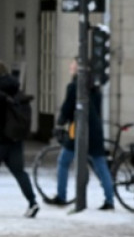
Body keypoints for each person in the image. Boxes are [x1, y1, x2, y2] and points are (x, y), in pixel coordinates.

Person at [47, 58, 115, 210]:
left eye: (73, 64)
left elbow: (67, 108)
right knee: (100, 165)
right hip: (95, 131)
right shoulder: (95, 87)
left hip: (80, 131)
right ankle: (110, 200)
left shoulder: (74, 86)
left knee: (63, 161)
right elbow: (97, 110)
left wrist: (59, 124)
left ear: (79, 68)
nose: (71, 66)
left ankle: (61, 196)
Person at [0, 61, 39, 218]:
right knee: (20, 172)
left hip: (1, 140)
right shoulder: (17, 90)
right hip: (16, 139)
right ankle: (33, 202)